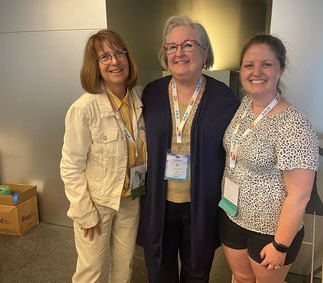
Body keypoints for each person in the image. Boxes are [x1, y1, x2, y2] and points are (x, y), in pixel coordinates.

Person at [136, 15, 240, 283]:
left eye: (188, 45)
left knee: (197, 272)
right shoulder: (151, 94)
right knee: (159, 271)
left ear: (205, 53)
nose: (178, 52)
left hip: (201, 205)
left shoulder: (225, 99)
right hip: (159, 204)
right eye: (171, 46)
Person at [218, 34, 319, 283]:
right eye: (249, 65)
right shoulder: (244, 105)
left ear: (281, 69)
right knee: (241, 277)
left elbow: (300, 195)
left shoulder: (294, 124)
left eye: (267, 64)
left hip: (270, 230)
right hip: (233, 215)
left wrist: (281, 246)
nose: (256, 72)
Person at [60, 29, 146, 283]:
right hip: (97, 202)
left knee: (124, 266)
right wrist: (84, 211)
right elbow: (70, 166)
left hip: (131, 198)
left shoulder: (139, 98)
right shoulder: (84, 109)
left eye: (119, 53)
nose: (115, 61)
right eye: (104, 57)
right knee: (92, 270)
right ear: (94, 65)